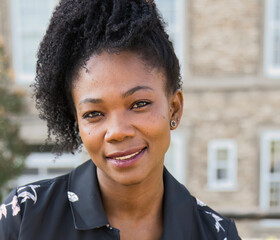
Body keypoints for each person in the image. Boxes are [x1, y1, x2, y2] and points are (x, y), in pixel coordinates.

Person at [0, 0, 241, 239]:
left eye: (139, 104)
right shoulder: (25, 217)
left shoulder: (216, 234)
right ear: (77, 122)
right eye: (93, 114)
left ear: (174, 108)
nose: (117, 131)